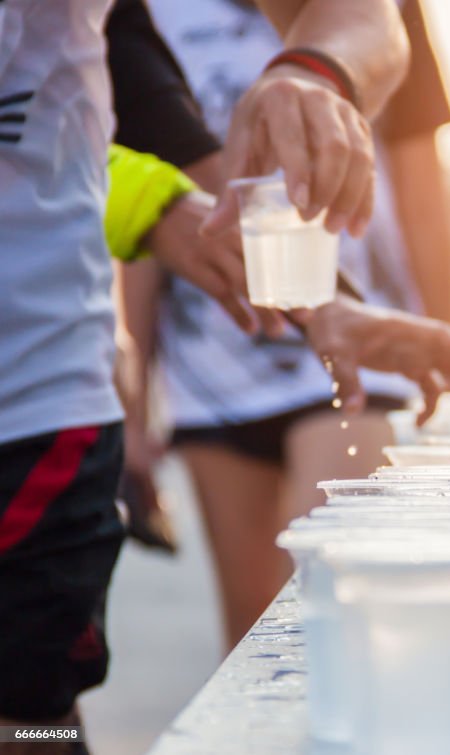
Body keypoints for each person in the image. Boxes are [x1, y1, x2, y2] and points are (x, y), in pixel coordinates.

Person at [0, 1, 408, 750]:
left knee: (26, 721)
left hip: (34, 398)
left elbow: (127, 72)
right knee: (257, 648)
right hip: (206, 385)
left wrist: (311, 71)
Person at [123, 0, 450, 646]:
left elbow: (422, 182)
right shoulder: (145, 14)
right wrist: (134, 393)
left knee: (334, 602)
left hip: (356, 335)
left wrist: (442, 331)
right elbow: (148, 199)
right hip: (214, 356)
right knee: (254, 634)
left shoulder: (382, 17)